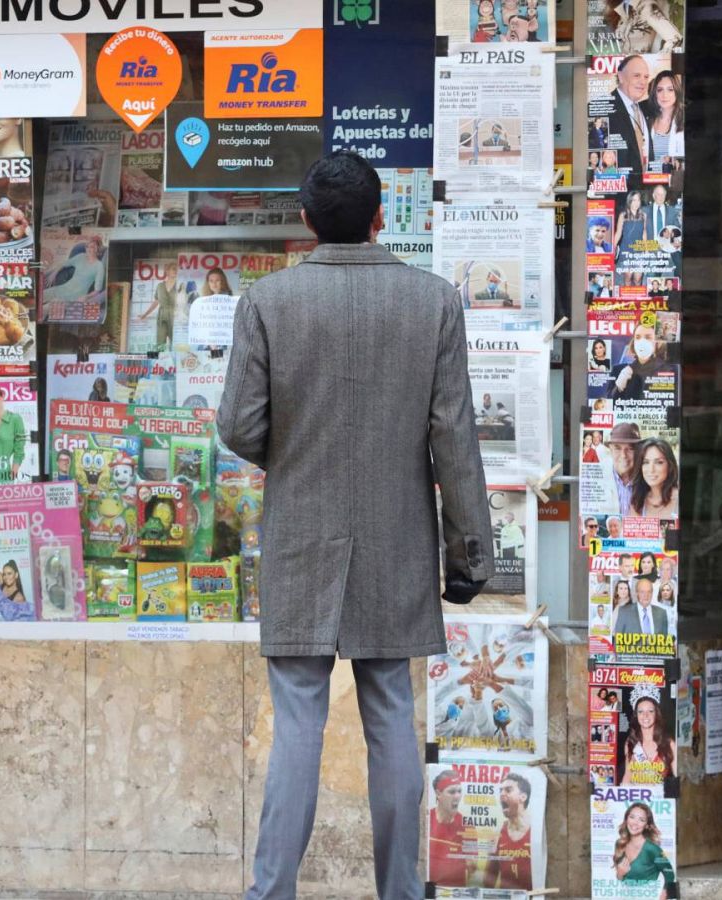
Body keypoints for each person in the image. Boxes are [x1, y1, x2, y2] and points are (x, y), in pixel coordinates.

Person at [219, 152, 493, 900]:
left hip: (300, 538)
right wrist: (470, 553)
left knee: (298, 725)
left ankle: (270, 893)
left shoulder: (268, 303)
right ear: (381, 219)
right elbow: (454, 438)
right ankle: (401, 893)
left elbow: (239, 428)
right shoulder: (433, 302)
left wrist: (295, 451)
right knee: (392, 717)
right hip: (397, 538)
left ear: (307, 221)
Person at [606, 54, 653, 189]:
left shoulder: (645, 108)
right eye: (637, 76)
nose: (643, 82)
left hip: (646, 193)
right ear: (620, 77)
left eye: (646, 77)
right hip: (619, 196)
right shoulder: (601, 108)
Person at [612, 801, 675, 894]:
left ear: (647, 826)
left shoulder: (653, 849)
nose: (635, 823)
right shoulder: (620, 843)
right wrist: (620, 874)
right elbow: (621, 880)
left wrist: (663, 896)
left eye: (641, 820)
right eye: (632, 817)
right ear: (626, 819)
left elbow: (669, 874)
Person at [489, 773, 535, 890]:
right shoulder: (497, 834)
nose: (502, 794)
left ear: (523, 797)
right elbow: (489, 879)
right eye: (500, 791)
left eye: (508, 790)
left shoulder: (536, 830)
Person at [622, 691, 677, 784]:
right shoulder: (631, 743)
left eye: (650, 711)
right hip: (636, 796)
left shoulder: (669, 744)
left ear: (656, 714)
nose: (645, 715)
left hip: (659, 796)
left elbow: (678, 777)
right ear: (636, 715)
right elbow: (627, 776)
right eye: (640, 711)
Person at [427, 771, 469, 886]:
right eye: (451, 792)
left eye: (459, 791)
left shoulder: (466, 825)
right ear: (438, 794)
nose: (457, 796)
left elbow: (473, 868)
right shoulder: (426, 820)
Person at [609, 323, 665, 403]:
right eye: (638, 337)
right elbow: (606, 404)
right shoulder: (619, 370)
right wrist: (618, 387)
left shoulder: (666, 370)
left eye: (648, 337)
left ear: (657, 342)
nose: (642, 342)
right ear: (633, 341)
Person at [631, 438, 680, 518]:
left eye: (659, 462)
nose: (651, 470)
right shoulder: (638, 500)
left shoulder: (678, 498)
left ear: (670, 466)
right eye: (646, 462)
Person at [605, 423, 642, 516]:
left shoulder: (648, 479)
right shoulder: (600, 479)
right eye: (617, 448)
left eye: (630, 449)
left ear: (638, 451)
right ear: (610, 449)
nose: (623, 455)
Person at [614, 190, 647, 257]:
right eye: (634, 200)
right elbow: (618, 233)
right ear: (629, 201)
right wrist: (613, 247)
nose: (636, 203)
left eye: (638, 200)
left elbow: (644, 233)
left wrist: (646, 250)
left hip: (639, 250)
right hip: (626, 249)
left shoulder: (643, 215)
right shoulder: (623, 215)